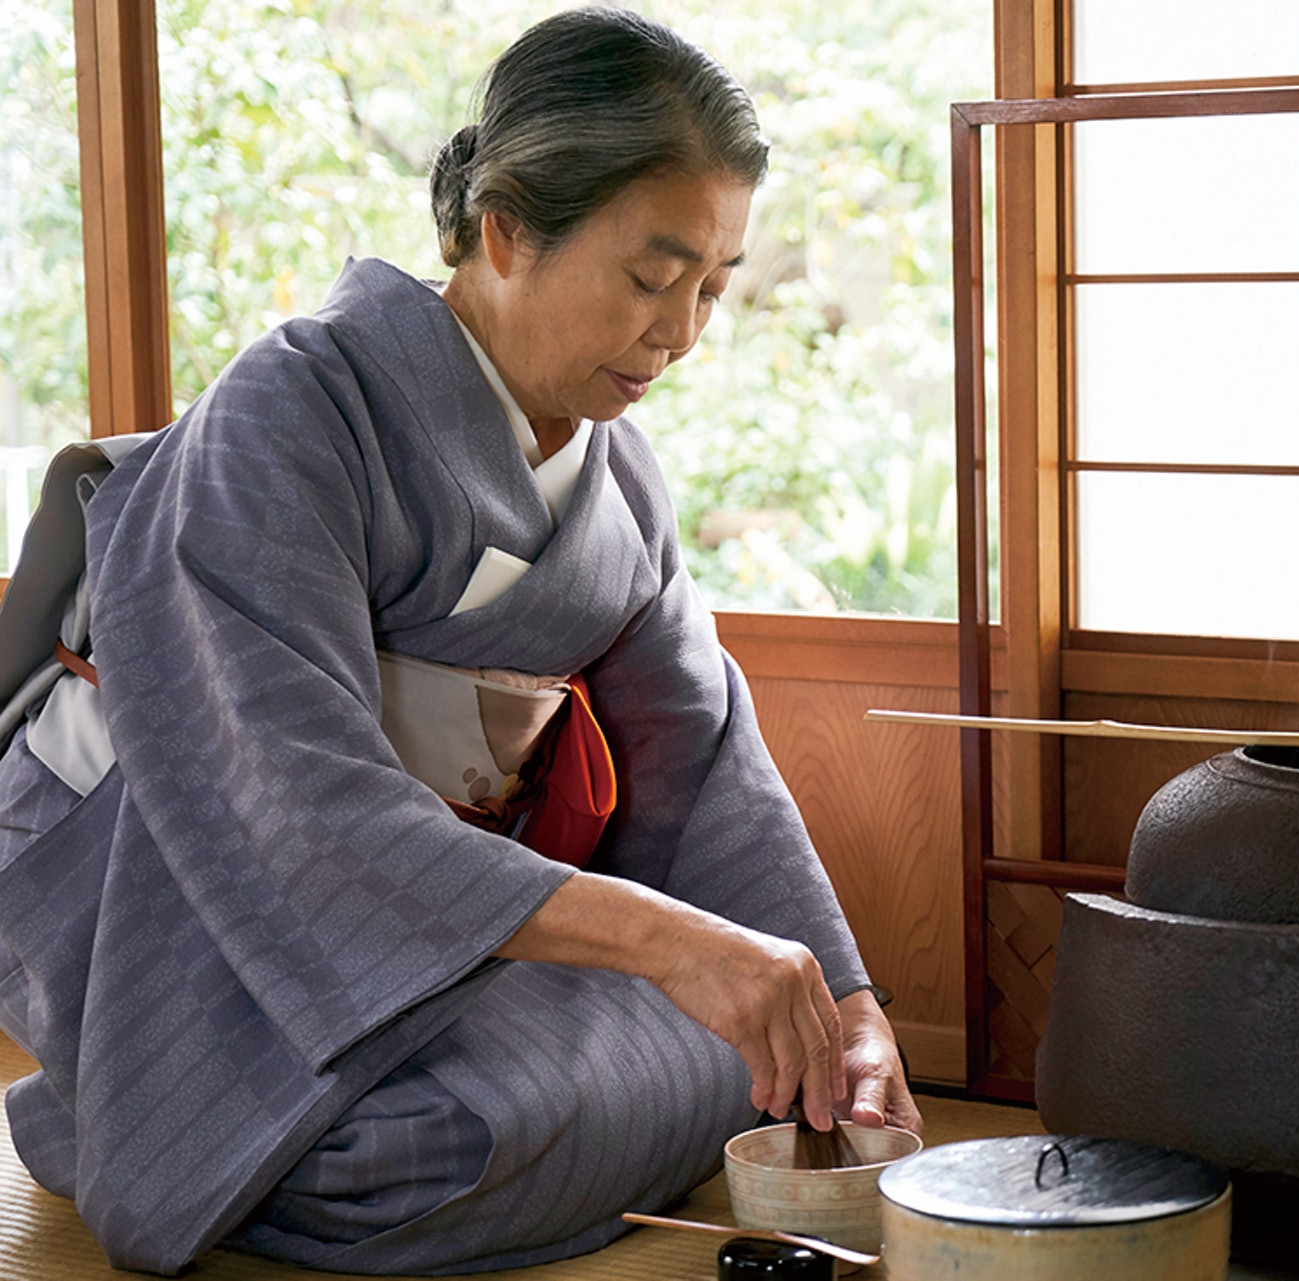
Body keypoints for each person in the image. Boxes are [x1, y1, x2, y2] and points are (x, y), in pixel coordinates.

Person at [0, 8, 917, 1274]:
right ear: (507, 229)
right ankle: (150, 1110)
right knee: (429, 1143)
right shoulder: (291, 413)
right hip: (180, 883)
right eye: (654, 279)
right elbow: (289, 799)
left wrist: (849, 1007)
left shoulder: (621, 485)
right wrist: (675, 944)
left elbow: (705, 764)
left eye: (713, 287)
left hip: (416, 918)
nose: (684, 332)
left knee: (767, 1050)